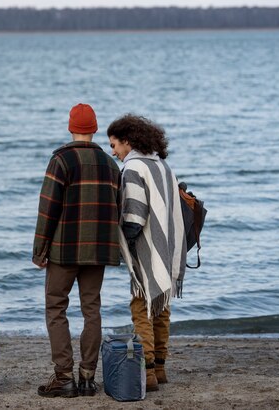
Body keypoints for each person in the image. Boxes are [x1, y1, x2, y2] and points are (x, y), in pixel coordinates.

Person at [33, 103, 122, 398]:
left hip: (65, 249)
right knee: (91, 309)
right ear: (95, 129)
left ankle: (63, 377)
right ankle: (87, 378)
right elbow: (118, 211)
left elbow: (47, 209)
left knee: (56, 307)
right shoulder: (111, 165)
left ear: (71, 128)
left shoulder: (61, 160)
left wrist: (39, 251)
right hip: (97, 250)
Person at [107, 114, 186, 392]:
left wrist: (123, 244)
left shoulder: (133, 168)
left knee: (141, 308)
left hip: (146, 248)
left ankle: (148, 371)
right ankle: (161, 369)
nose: (113, 151)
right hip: (168, 247)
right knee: (162, 308)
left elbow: (134, 216)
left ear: (127, 142)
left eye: (114, 145)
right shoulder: (163, 165)